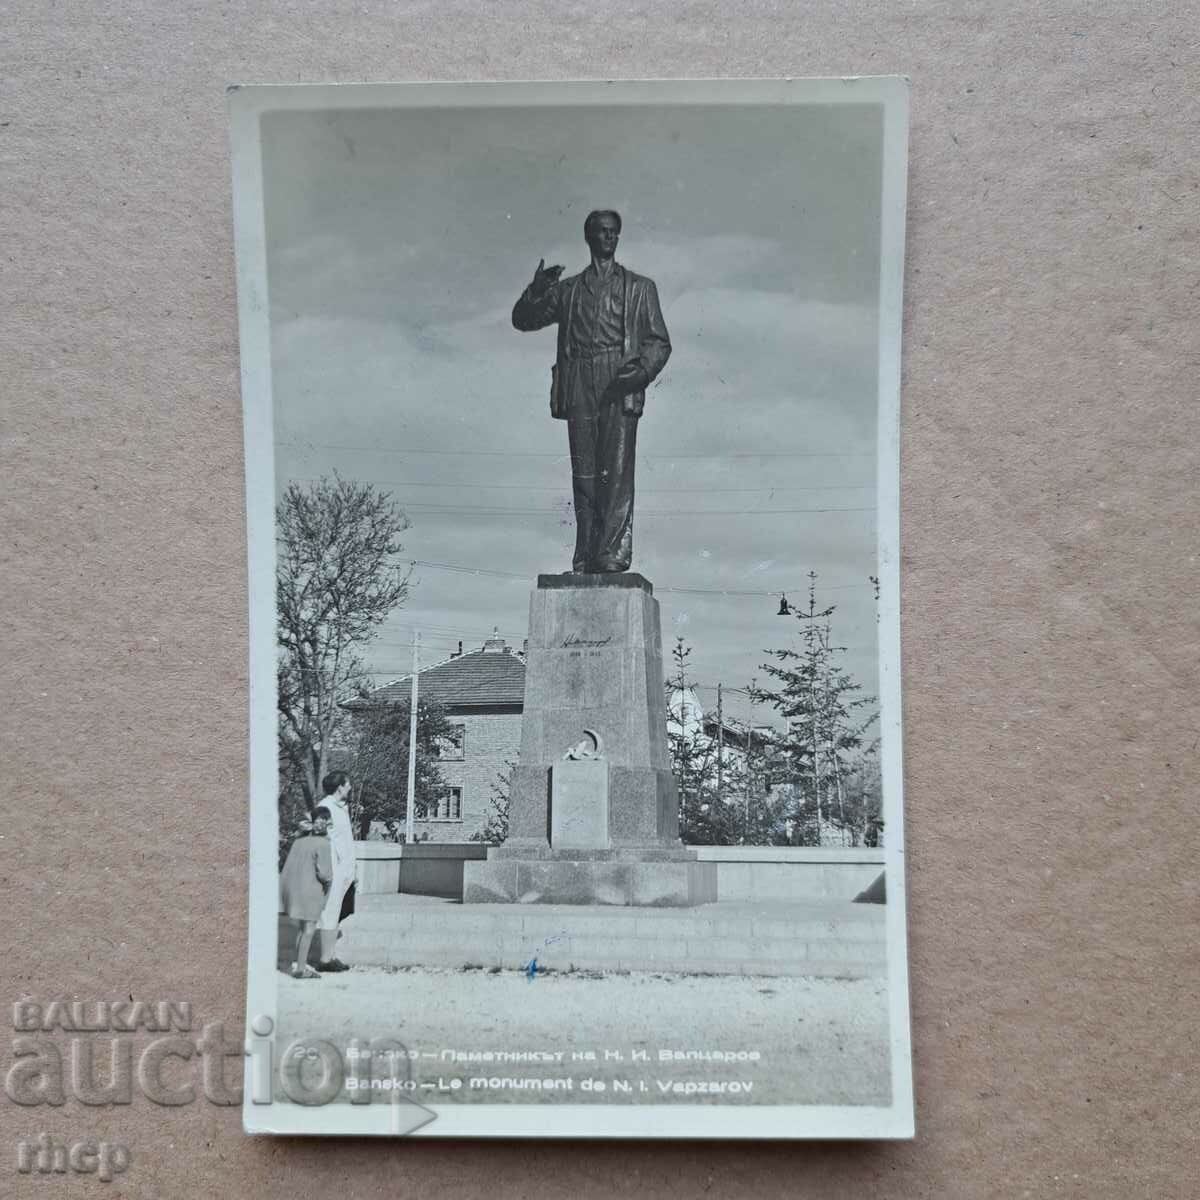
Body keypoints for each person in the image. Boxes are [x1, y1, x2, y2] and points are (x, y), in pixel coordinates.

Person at [512, 210, 671, 574]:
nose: (607, 238)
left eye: (613, 232)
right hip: (580, 377)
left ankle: (611, 553)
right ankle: (585, 553)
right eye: (600, 232)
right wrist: (535, 292)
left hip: (619, 378)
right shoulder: (568, 291)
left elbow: (659, 342)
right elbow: (523, 320)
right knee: (584, 472)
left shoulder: (640, 288)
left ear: (619, 237)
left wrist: (640, 372)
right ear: (589, 237)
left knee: (615, 468)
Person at [279, 808, 332, 980]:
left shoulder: (299, 842)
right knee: (309, 929)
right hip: (312, 892)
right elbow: (325, 874)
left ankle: (298, 964)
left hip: (295, 891)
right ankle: (301, 969)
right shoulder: (323, 844)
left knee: (302, 930)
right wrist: (330, 884)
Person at [315, 770, 355, 972]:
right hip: (331, 870)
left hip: (343, 871)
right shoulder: (325, 807)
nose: (349, 787)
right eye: (347, 784)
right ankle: (325, 960)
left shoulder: (341, 808)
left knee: (335, 913)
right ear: (340, 786)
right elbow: (320, 839)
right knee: (329, 913)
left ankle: (330, 956)